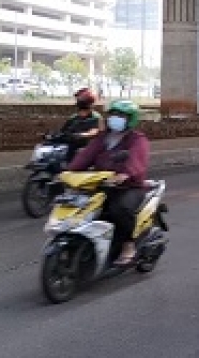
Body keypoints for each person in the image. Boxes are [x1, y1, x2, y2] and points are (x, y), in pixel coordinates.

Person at [68, 100, 150, 266]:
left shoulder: (137, 139)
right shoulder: (102, 138)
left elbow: (136, 160)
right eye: (113, 114)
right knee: (82, 207)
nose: (115, 118)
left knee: (119, 209)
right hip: (102, 183)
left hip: (129, 186)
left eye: (120, 115)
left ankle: (128, 246)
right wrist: (68, 172)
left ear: (130, 119)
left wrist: (125, 174)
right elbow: (86, 155)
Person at [59, 88, 103, 161]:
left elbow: (95, 132)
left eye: (80, 100)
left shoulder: (96, 117)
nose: (78, 101)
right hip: (71, 149)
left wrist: (81, 135)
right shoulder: (73, 118)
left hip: (88, 152)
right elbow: (63, 132)